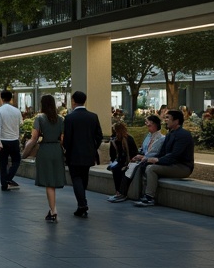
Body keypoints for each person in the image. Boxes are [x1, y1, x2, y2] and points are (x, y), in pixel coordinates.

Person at [135, 109, 195, 207]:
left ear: (176, 121)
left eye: (168, 118)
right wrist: (148, 159)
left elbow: (175, 155)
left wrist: (158, 160)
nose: (165, 120)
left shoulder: (184, 135)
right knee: (145, 164)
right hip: (171, 164)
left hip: (183, 167)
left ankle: (149, 198)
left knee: (151, 169)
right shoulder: (170, 134)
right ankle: (141, 194)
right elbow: (162, 153)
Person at [22, 94, 65, 221]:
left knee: (49, 183)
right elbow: (63, 139)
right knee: (53, 181)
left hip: (45, 150)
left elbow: (34, 138)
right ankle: (52, 208)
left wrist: (25, 152)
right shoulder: (61, 119)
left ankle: (53, 210)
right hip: (57, 150)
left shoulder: (39, 119)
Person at [62, 90, 103, 218]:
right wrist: (93, 147)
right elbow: (99, 136)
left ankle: (82, 204)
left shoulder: (69, 118)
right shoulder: (93, 116)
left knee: (76, 178)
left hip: (74, 154)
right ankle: (82, 201)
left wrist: (66, 149)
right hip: (89, 153)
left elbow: (67, 138)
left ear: (73, 101)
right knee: (84, 176)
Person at [109, 114, 165, 202]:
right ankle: (120, 192)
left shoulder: (161, 139)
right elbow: (142, 149)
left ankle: (122, 193)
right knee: (122, 168)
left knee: (129, 168)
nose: (147, 126)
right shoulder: (148, 136)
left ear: (155, 124)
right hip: (142, 159)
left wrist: (142, 156)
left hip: (149, 160)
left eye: (149, 124)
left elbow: (155, 153)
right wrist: (138, 155)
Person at [0, 89, 23, 192]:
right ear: (11, 98)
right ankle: (8, 178)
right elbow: (20, 123)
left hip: (3, 140)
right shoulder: (17, 111)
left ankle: (4, 183)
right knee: (17, 160)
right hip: (14, 140)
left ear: (1, 98)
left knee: (3, 163)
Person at [106, 122, 139, 193]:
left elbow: (134, 153)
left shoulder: (128, 139)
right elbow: (113, 154)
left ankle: (119, 192)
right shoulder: (115, 140)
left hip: (129, 162)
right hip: (120, 161)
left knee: (117, 169)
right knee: (114, 168)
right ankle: (118, 191)